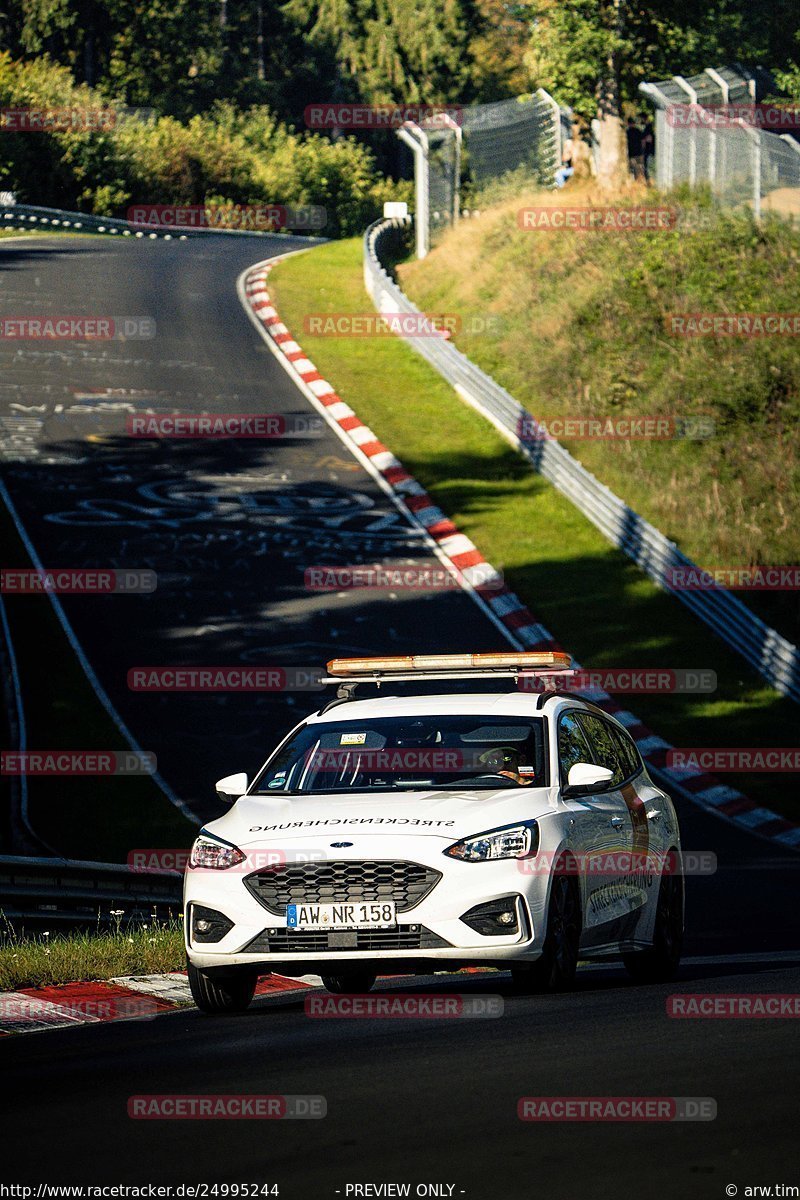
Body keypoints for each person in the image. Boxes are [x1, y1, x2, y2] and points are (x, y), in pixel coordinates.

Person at [641, 116, 655, 183]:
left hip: (648, 152)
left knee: (648, 167)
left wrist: (643, 150)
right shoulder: (653, 134)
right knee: (650, 167)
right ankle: (650, 180)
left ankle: (649, 180)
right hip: (652, 152)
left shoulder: (647, 133)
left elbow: (644, 142)